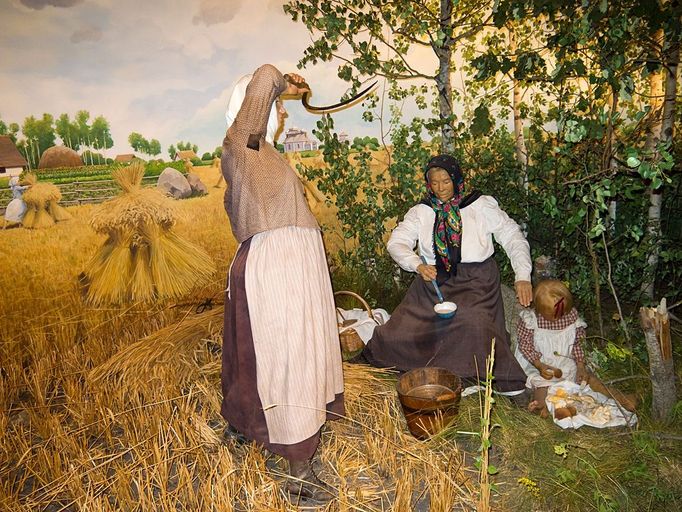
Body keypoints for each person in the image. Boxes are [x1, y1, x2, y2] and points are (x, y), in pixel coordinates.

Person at [219, 64, 344, 503]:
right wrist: (282, 82)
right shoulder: (242, 144)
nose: (283, 114)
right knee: (288, 360)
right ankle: (299, 472)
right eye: (276, 108)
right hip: (277, 267)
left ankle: (247, 426)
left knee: (270, 356)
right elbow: (265, 74)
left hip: (288, 264)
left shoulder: (261, 152)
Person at [362, 154, 533, 397]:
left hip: (477, 281)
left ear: (456, 179)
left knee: (473, 322)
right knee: (398, 332)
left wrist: (523, 275)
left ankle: (473, 375)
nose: (440, 188)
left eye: (446, 181)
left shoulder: (480, 205)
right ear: (427, 183)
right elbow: (396, 243)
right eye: (434, 182)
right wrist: (416, 265)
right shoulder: (422, 211)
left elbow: (512, 235)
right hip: (433, 279)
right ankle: (434, 370)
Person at [515, 279, 637, 417]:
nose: (560, 318)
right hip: (541, 365)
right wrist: (539, 364)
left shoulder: (570, 317)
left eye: (563, 313)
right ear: (540, 310)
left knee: (588, 379)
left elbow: (578, 342)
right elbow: (525, 345)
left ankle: (620, 398)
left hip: (567, 361)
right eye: (554, 316)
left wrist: (580, 365)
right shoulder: (530, 321)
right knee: (542, 386)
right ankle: (541, 406)